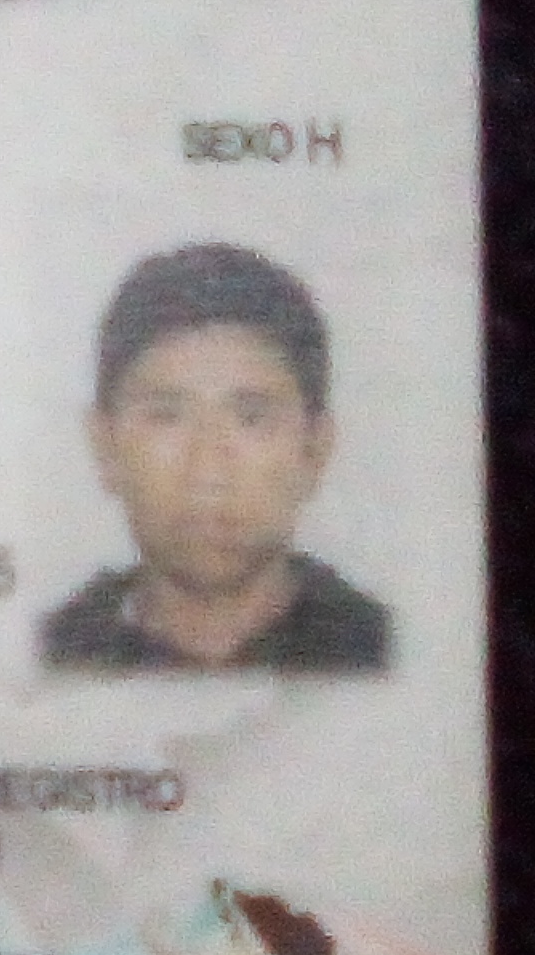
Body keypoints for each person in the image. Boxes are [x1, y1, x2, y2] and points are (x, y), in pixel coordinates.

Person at [40, 243, 389, 674]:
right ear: (106, 448)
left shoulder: (387, 656)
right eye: (167, 416)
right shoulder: (49, 657)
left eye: (251, 418)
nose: (208, 471)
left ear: (315, 451)